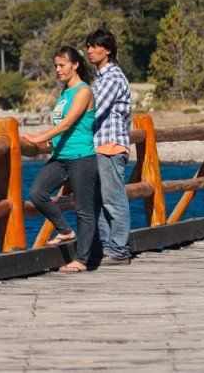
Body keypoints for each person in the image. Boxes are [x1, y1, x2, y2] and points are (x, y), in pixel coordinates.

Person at [23, 46, 99, 273]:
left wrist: (38, 138)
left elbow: (67, 124)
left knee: (84, 209)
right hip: (60, 156)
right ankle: (65, 230)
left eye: (62, 65)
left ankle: (82, 260)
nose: (58, 70)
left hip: (81, 156)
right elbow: (61, 127)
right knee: (37, 192)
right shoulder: (64, 93)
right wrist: (46, 144)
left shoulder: (83, 91)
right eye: (56, 65)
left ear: (75, 65)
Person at [86, 29, 134, 265]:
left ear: (108, 50)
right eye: (88, 46)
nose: (89, 51)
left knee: (113, 199)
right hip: (100, 146)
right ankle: (107, 246)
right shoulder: (101, 78)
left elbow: (93, 108)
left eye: (95, 46)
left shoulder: (113, 77)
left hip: (111, 146)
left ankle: (120, 249)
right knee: (100, 200)